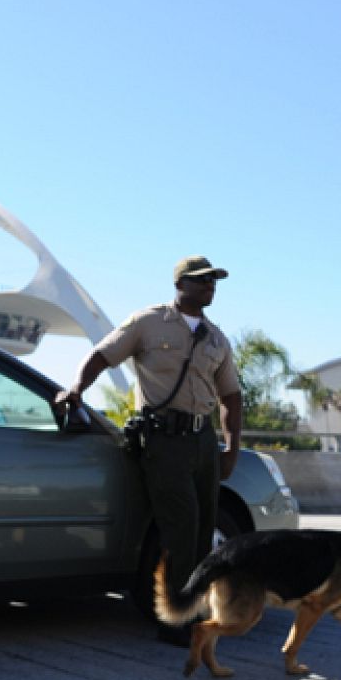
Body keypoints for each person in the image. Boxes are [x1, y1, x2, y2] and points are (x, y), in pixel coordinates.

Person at [55, 256, 244, 647]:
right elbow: (102, 356)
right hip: (164, 441)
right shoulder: (148, 322)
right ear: (180, 284)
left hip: (203, 441)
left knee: (204, 528)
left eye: (214, 280)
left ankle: (193, 611)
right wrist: (76, 389)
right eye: (202, 280)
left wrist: (231, 447)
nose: (211, 285)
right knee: (181, 527)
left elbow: (231, 396)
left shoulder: (215, 337)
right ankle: (174, 621)